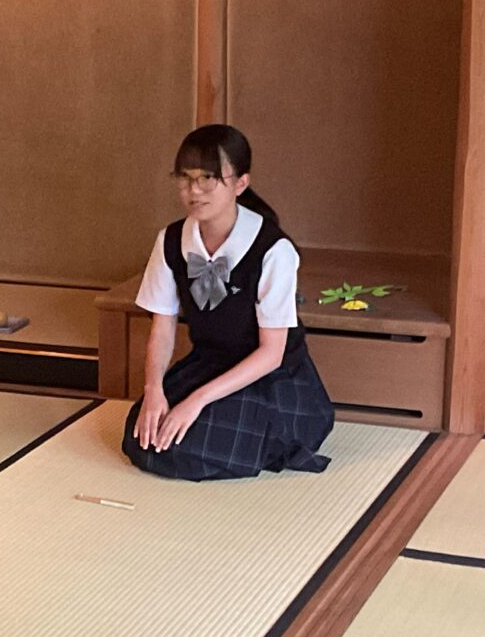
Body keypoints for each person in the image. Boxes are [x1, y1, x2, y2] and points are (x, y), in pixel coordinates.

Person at [121, 124, 334, 481]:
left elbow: (272, 354)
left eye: (208, 178)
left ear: (240, 183)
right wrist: (153, 391)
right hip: (210, 364)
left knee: (191, 445)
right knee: (144, 436)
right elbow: (163, 328)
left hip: (271, 377)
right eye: (186, 178)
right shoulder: (170, 240)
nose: (194, 190)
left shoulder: (273, 249)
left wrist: (196, 400)